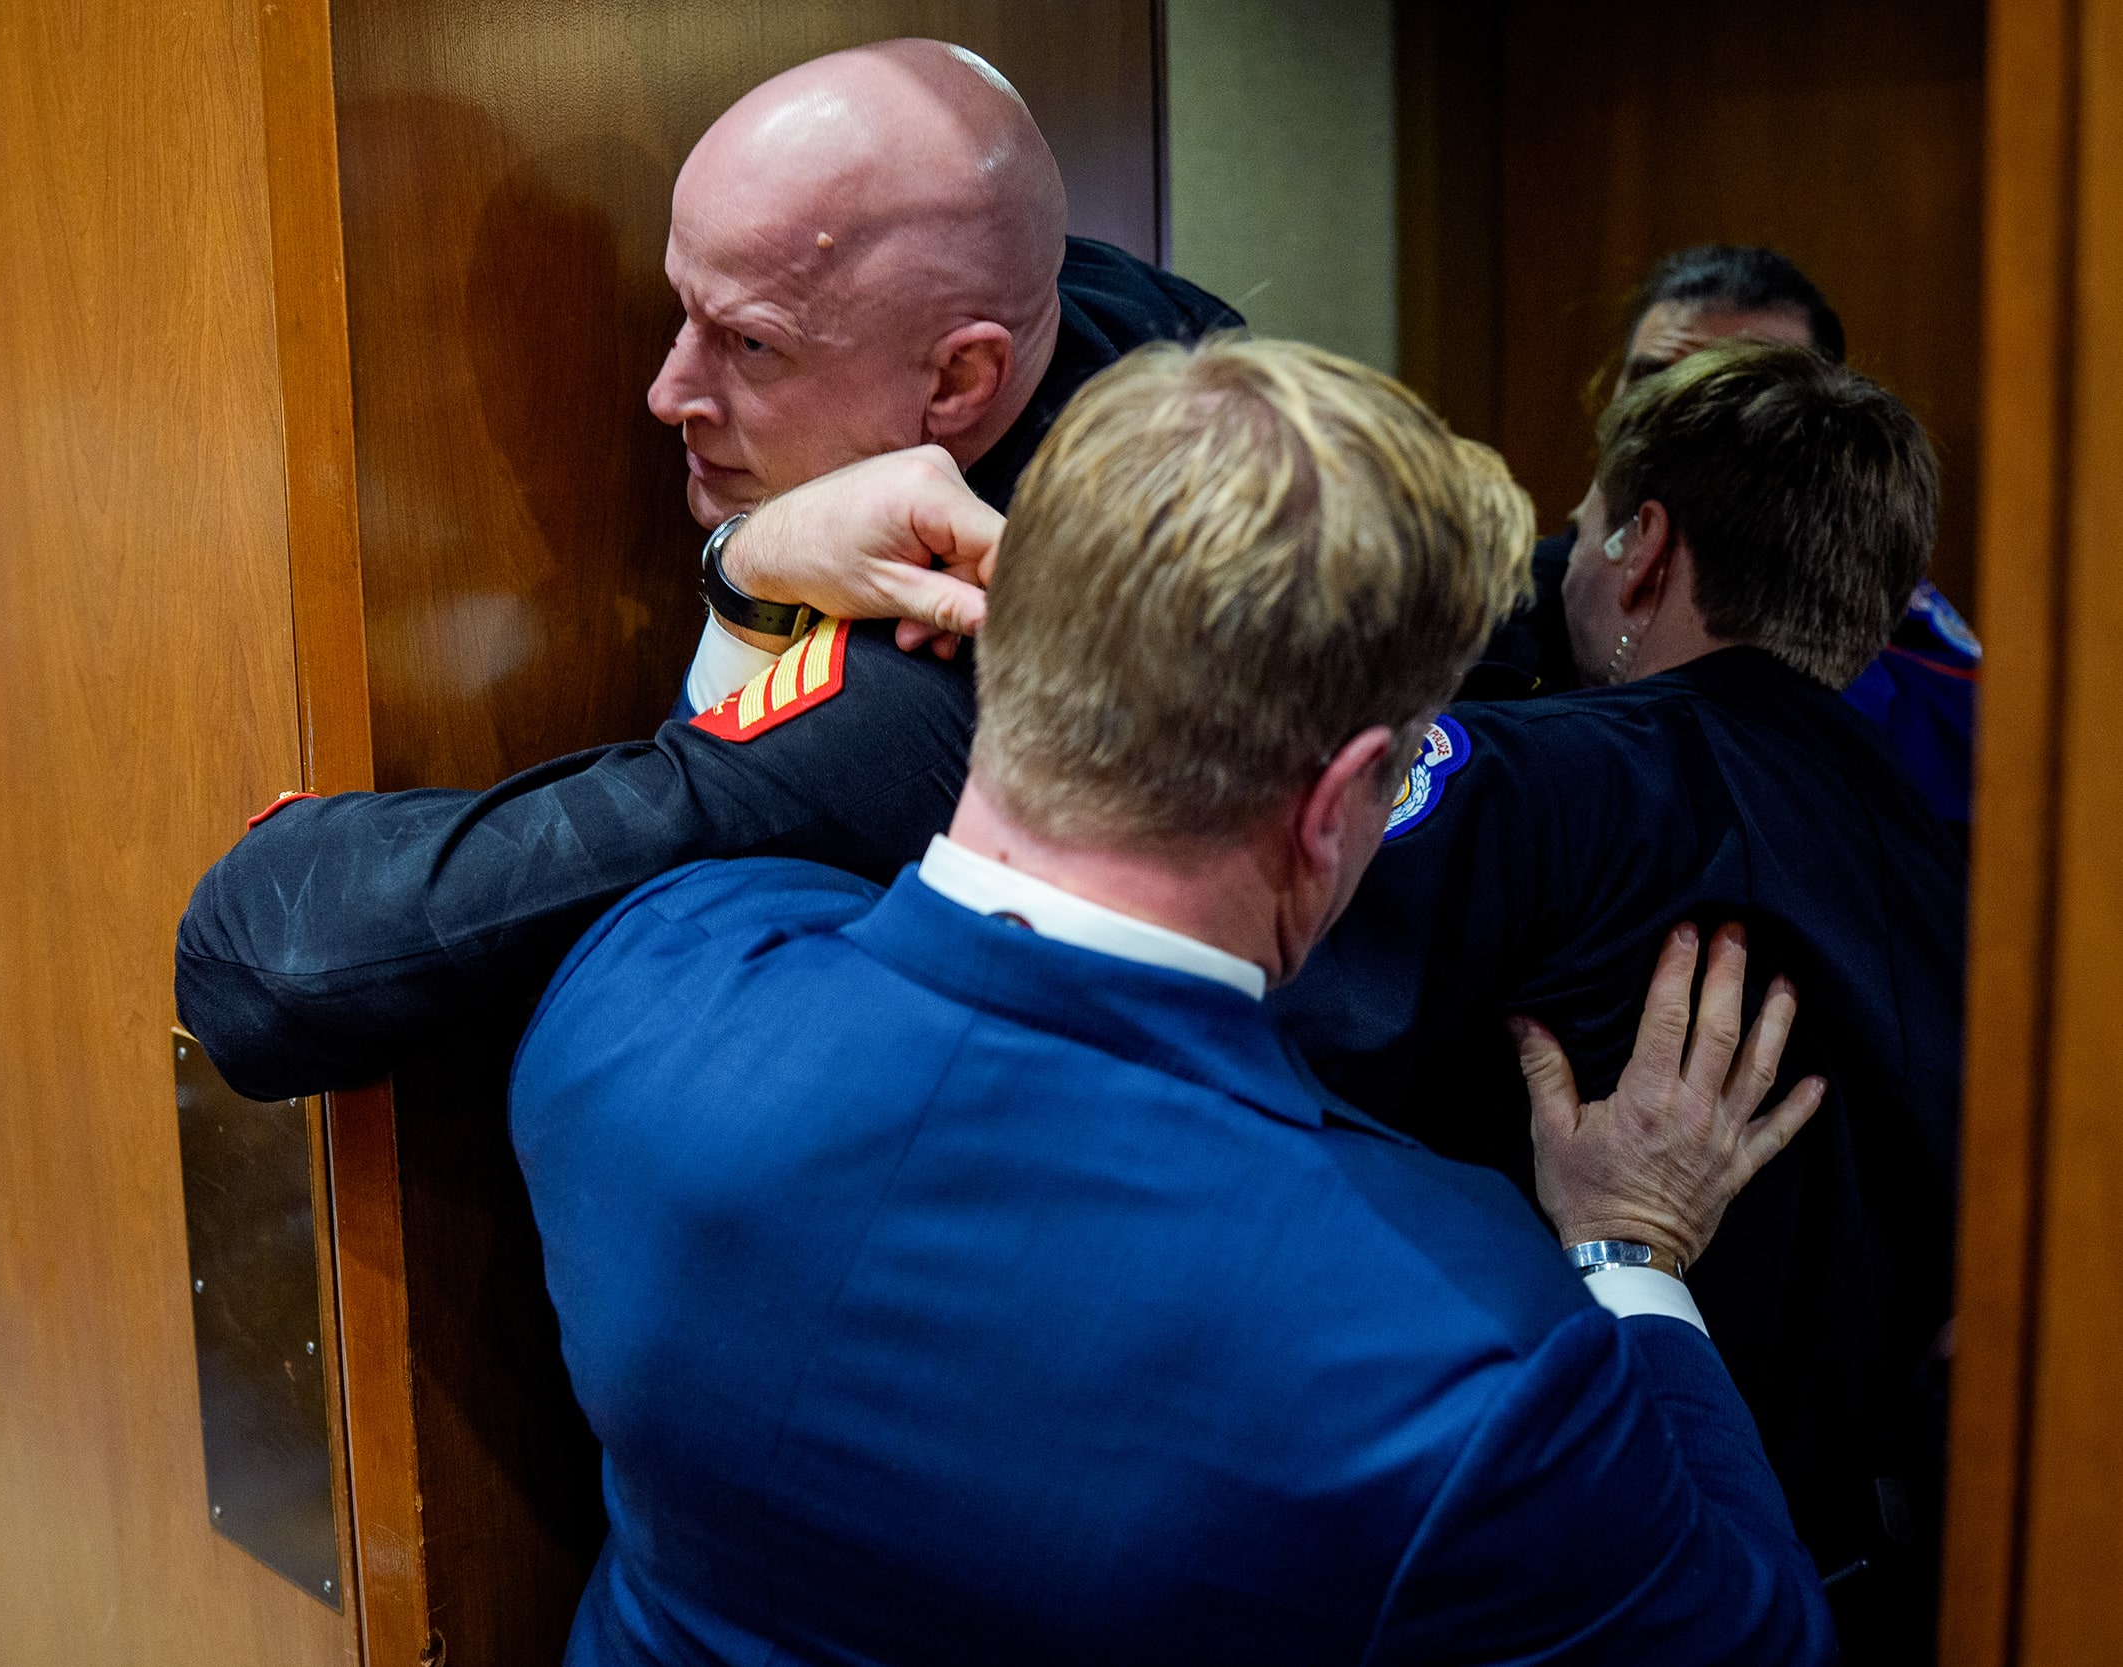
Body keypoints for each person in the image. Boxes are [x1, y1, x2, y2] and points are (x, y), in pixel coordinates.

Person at [509, 337, 1834, 1665]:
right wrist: (1630, 1250)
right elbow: (1764, 1644)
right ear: (1332, 805)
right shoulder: (1457, 1350)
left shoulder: (631, 992)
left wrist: (741, 572)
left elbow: (731, 822)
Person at [177, 40, 1233, 1099]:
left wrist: (750, 569)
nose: (667, 388)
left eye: (751, 345)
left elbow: (268, 964)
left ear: (961, 376)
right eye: (683, 307)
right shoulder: (1131, 326)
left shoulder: (930, 680)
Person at [1275, 342, 1963, 1659]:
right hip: (1823, 1570)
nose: (1571, 560)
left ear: (1643, 552)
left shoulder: (1521, 779)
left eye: (1585, 527)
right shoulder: (1958, 875)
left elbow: (1276, 1074)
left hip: (1495, 1533)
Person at [1470, 244, 1978, 831]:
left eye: (1747, 390)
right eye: (1653, 384)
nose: (1685, 420)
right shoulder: (1491, 616)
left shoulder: (1922, 675)